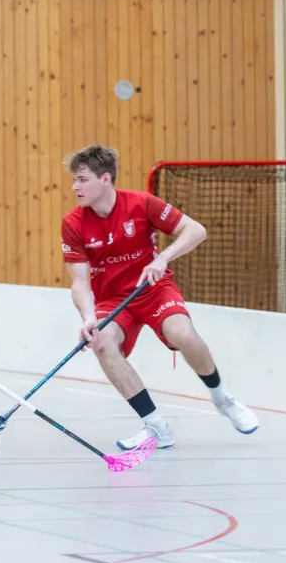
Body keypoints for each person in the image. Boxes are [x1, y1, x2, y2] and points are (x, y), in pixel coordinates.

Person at [60, 145, 258, 450]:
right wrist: (88, 318)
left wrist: (162, 257)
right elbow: (79, 283)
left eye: (82, 179)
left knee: (183, 334)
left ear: (105, 179)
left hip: (152, 288)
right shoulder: (73, 223)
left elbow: (196, 230)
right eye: (74, 180)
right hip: (112, 300)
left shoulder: (141, 204)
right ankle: (155, 426)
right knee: (101, 342)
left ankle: (223, 399)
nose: (75, 187)